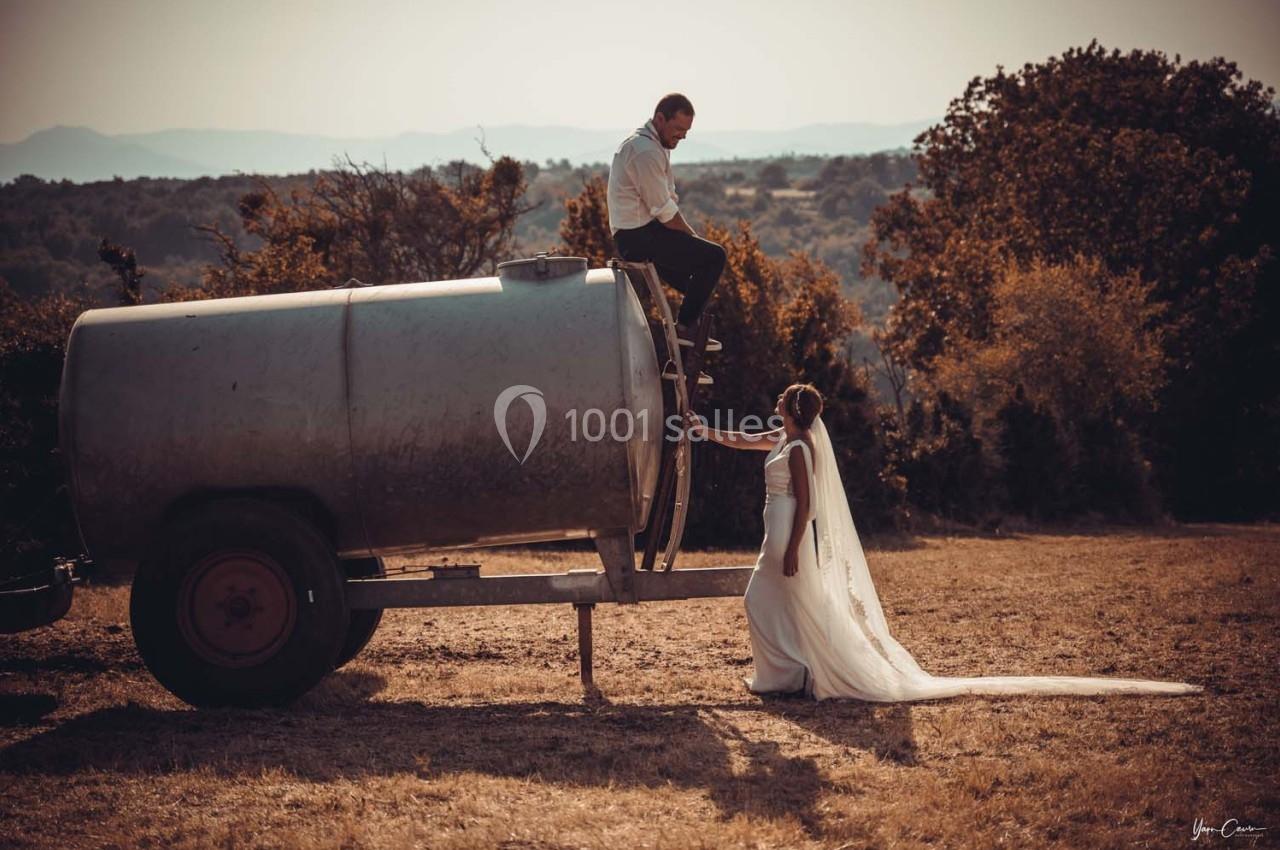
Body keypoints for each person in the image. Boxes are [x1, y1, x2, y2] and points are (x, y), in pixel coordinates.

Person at [686, 383, 1205, 702]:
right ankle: (794, 674)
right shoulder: (782, 439)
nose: (774, 402)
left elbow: (809, 506)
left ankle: (789, 676)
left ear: (795, 411)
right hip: (772, 526)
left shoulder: (800, 450)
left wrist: (797, 547)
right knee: (782, 603)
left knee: (762, 598)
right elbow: (741, 440)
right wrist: (702, 429)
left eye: (781, 399)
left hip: (784, 531)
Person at [609, 93, 726, 348]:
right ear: (660, 119)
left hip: (644, 233)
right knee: (715, 257)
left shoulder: (654, 145)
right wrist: (691, 238)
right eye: (678, 129)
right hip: (638, 236)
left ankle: (684, 346)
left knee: (698, 288)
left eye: (686, 131)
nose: (682, 136)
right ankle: (684, 330)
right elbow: (665, 210)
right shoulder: (645, 151)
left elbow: (667, 200)